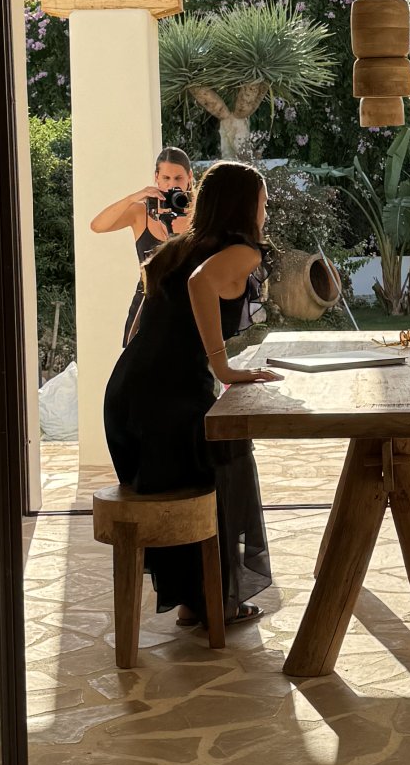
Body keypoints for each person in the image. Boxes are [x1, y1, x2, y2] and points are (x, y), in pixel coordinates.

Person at [103, 160, 281, 627]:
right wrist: (222, 366)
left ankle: (194, 601)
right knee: (225, 458)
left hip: (126, 393)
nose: (266, 212)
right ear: (243, 206)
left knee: (183, 483)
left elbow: (142, 321)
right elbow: (201, 283)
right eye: (263, 203)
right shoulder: (241, 251)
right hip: (169, 394)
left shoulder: (178, 246)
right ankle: (215, 601)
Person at [89, 146, 195, 345]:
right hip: (147, 305)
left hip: (189, 307)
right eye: (166, 178)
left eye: (178, 178)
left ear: (189, 177)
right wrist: (133, 198)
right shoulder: (141, 213)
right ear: (156, 178)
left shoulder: (199, 213)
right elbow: (97, 226)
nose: (172, 184)